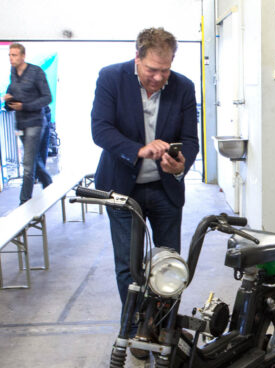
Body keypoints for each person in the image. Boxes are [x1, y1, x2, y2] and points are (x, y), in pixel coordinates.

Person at [91, 27, 199, 309]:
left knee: (170, 265)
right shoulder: (111, 79)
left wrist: (179, 165)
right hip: (122, 191)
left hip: (165, 190)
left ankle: (165, 329)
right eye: (152, 69)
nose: (159, 77)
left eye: (166, 70)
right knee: (129, 268)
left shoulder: (183, 87)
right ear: (136, 58)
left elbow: (190, 140)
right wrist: (138, 150)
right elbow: (100, 130)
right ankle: (134, 330)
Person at [3, 43, 53, 204]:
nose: (11, 58)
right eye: (10, 55)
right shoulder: (13, 73)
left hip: (35, 122)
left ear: (23, 56)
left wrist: (24, 106)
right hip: (21, 123)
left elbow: (47, 98)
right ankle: (50, 186)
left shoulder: (36, 72)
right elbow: (13, 92)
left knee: (27, 164)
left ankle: (24, 201)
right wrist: (9, 101)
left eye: (15, 55)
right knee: (33, 160)